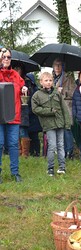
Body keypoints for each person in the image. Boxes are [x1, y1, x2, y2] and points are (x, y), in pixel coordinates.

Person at [32, 72, 71, 176]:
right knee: (52, 146)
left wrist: (67, 123)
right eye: (46, 80)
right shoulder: (37, 95)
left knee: (61, 145)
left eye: (50, 80)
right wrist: (49, 111)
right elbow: (35, 109)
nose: (48, 83)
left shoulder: (57, 93)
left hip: (60, 123)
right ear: (41, 82)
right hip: (49, 125)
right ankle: (50, 168)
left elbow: (64, 109)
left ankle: (62, 167)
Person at [0, 48, 28, 182]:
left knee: (13, 144)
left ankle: (15, 173)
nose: (6, 59)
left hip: (14, 115)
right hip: (0, 117)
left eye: (8, 57)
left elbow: (23, 88)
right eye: (4, 57)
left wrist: (24, 89)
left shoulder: (16, 75)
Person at [52, 58, 75, 159]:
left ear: (63, 67)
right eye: (55, 65)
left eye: (59, 65)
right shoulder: (51, 78)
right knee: (59, 130)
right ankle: (61, 152)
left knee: (67, 129)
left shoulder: (68, 78)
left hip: (66, 107)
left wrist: (64, 92)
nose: (57, 67)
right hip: (55, 107)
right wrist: (55, 90)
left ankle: (70, 152)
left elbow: (74, 93)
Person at [26, 73, 42, 157]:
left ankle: (36, 152)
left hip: (34, 117)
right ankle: (30, 152)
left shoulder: (36, 90)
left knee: (34, 136)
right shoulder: (26, 89)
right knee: (27, 136)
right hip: (27, 116)